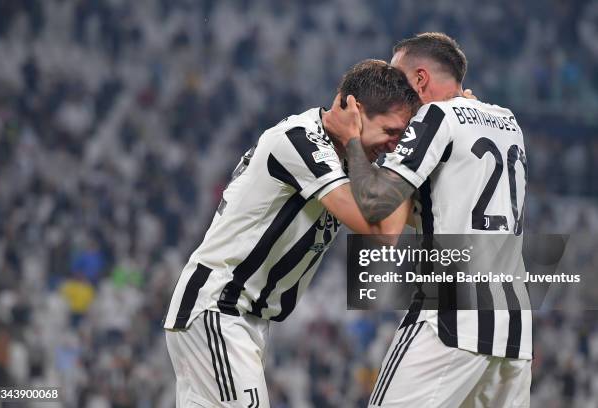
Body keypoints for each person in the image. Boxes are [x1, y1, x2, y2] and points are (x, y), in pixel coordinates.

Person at [163, 59, 420, 408]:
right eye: (391, 132)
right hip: (218, 308)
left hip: (241, 319)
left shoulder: (348, 160)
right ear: (354, 110)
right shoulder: (300, 141)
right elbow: (376, 225)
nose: (393, 146)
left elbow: (403, 218)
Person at [324, 33, 531, 407]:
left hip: (450, 317)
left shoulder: (436, 115)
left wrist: (352, 139)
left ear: (420, 80)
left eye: (400, 80)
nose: (395, 92)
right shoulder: (508, 121)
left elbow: (374, 203)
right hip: (514, 327)